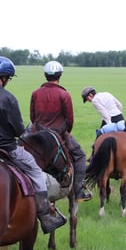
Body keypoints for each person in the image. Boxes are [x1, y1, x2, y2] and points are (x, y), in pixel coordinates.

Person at [0, 56, 66, 234]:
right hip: (5, 150)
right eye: (8, 78)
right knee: (35, 170)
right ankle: (45, 214)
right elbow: (18, 130)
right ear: (4, 78)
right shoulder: (8, 97)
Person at [30, 61, 92, 201]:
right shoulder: (64, 94)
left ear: (45, 75)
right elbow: (69, 120)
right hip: (57, 134)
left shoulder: (35, 93)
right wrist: (65, 133)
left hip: (37, 134)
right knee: (80, 156)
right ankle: (78, 191)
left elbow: (33, 117)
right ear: (60, 75)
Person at [81, 86, 126, 167]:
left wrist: (110, 126)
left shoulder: (95, 100)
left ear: (90, 95)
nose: (88, 100)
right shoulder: (107, 93)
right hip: (120, 118)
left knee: (97, 141)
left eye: (87, 98)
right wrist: (117, 114)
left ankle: (92, 161)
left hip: (108, 120)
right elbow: (120, 105)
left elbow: (105, 114)